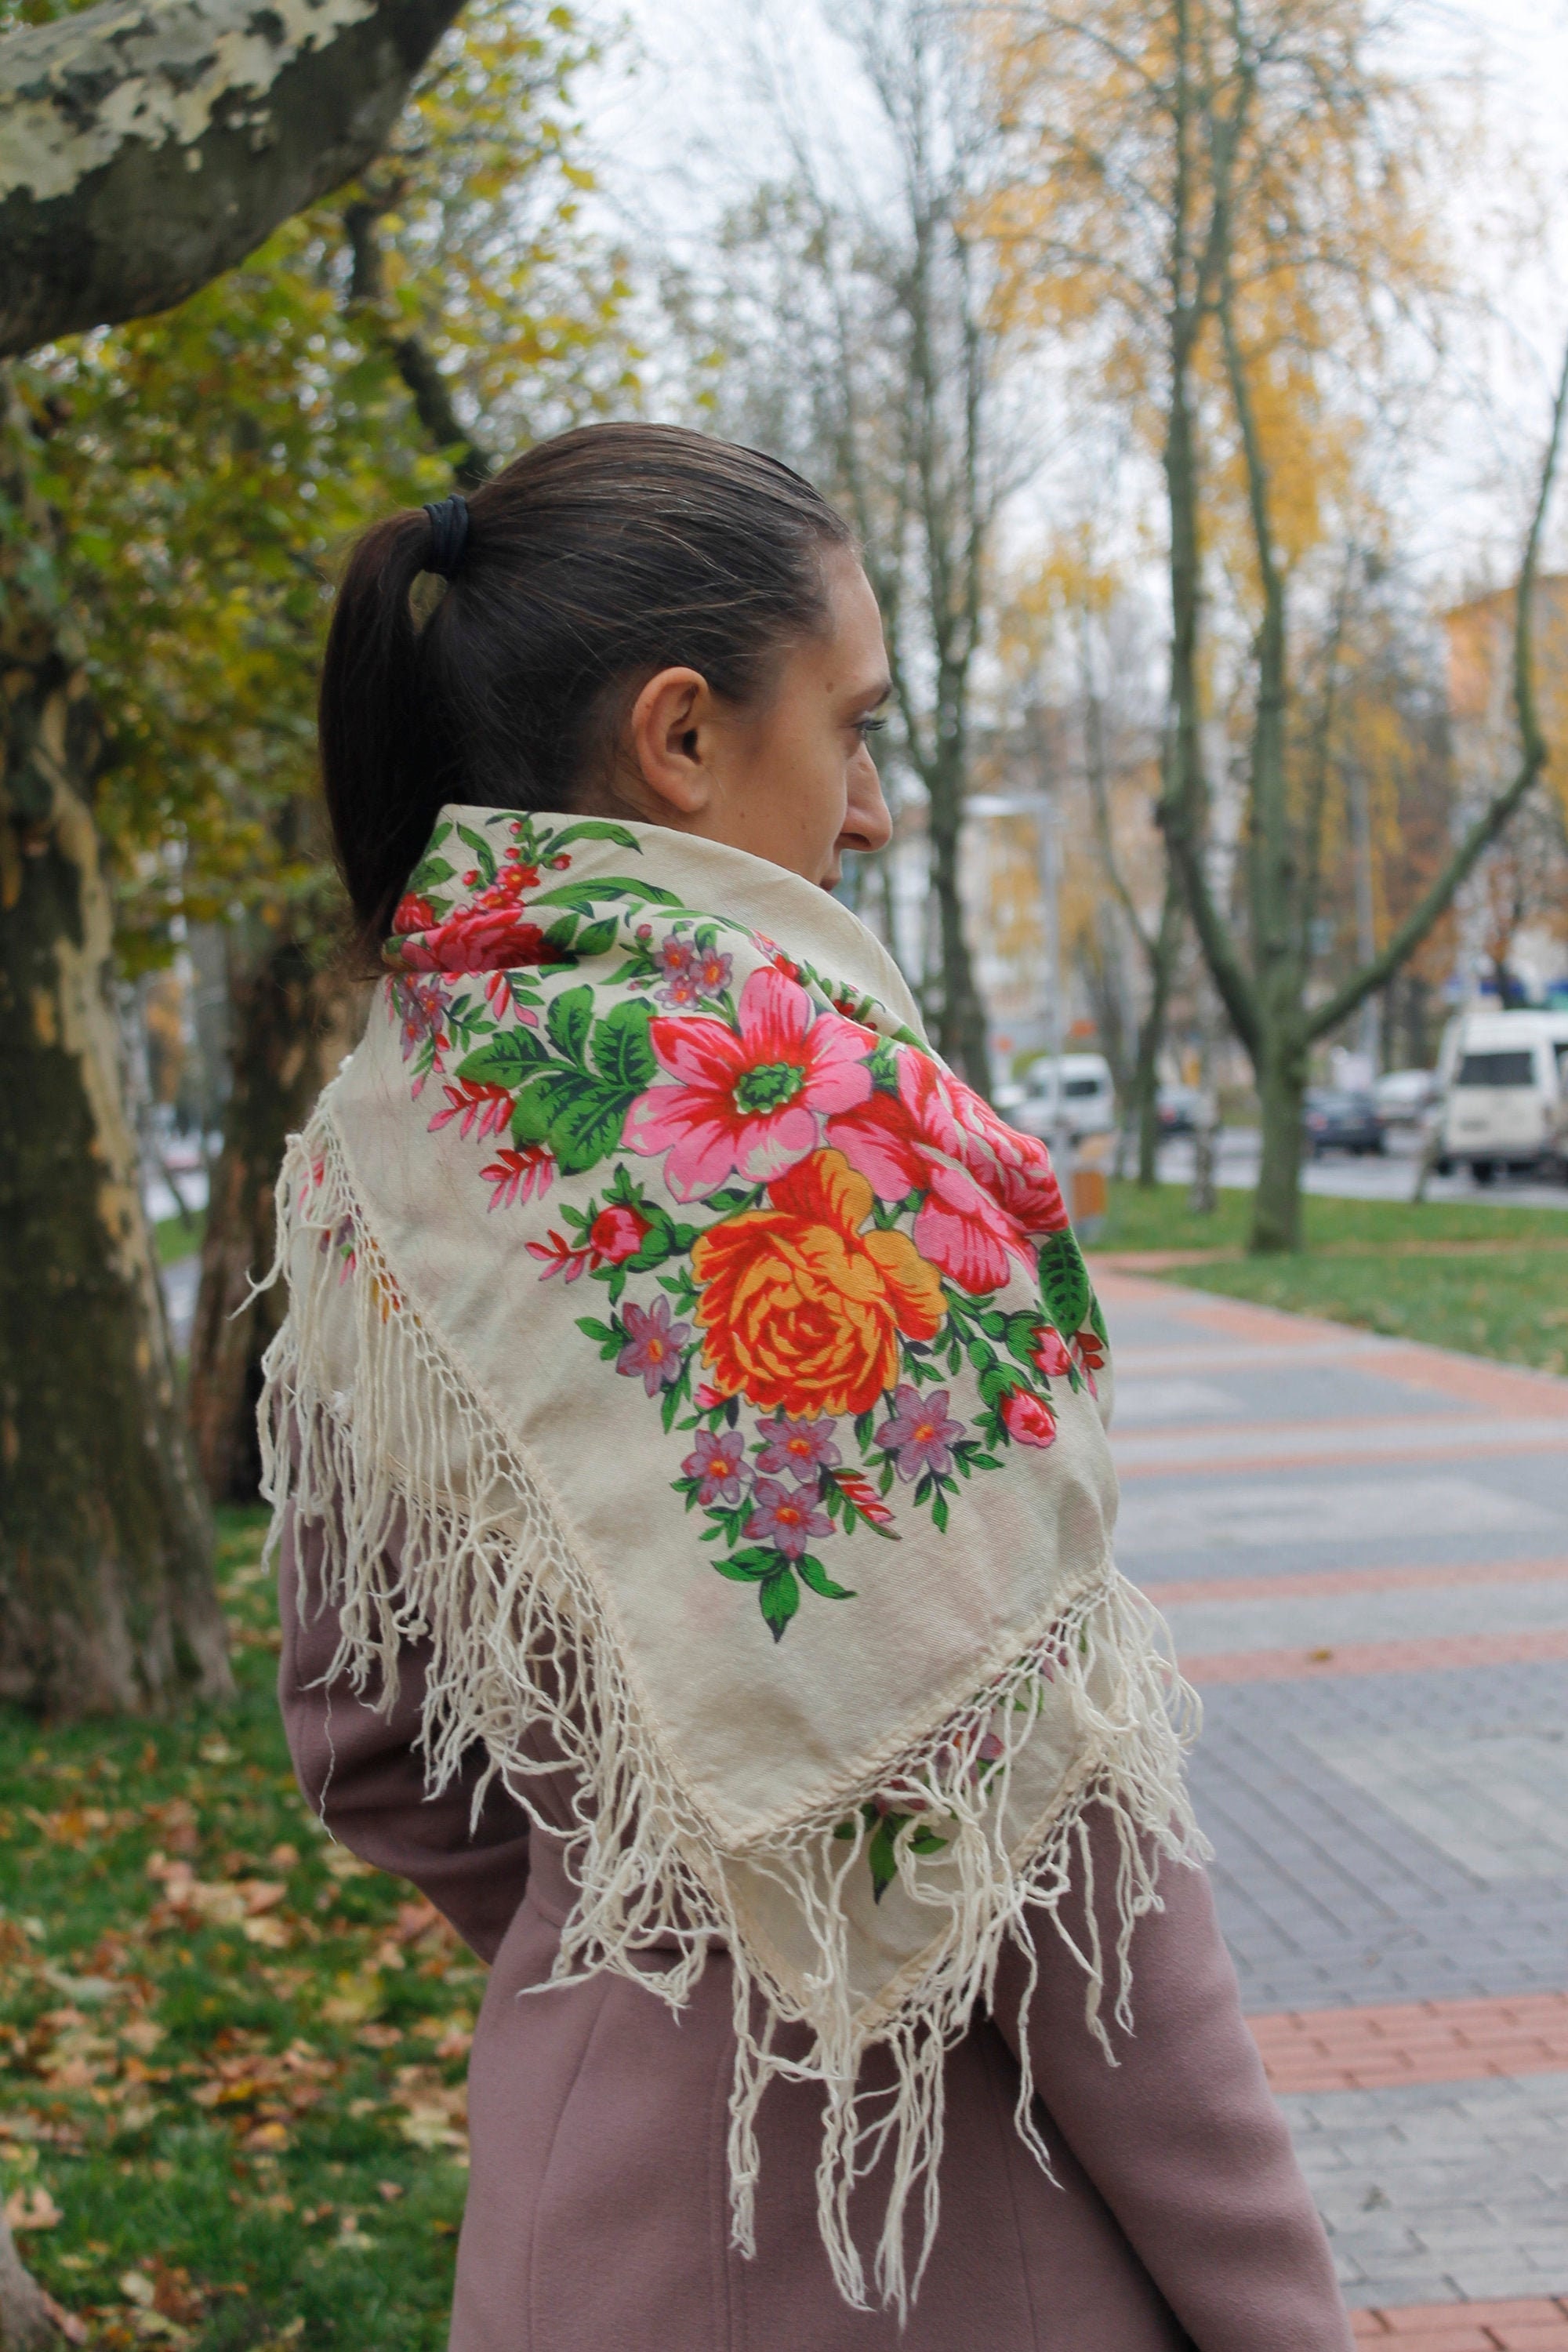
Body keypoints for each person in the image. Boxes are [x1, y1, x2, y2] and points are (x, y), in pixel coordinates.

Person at [267, 422, 1352, 2352]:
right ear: (679, 736)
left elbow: (368, 1741)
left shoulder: (391, 1128)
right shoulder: (816, 1143)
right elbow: (1068, 1877)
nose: (872, 808)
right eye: (851, 728)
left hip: (569, 2221)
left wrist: (648, 1952)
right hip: (929, 2237)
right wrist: (1275, 2309)